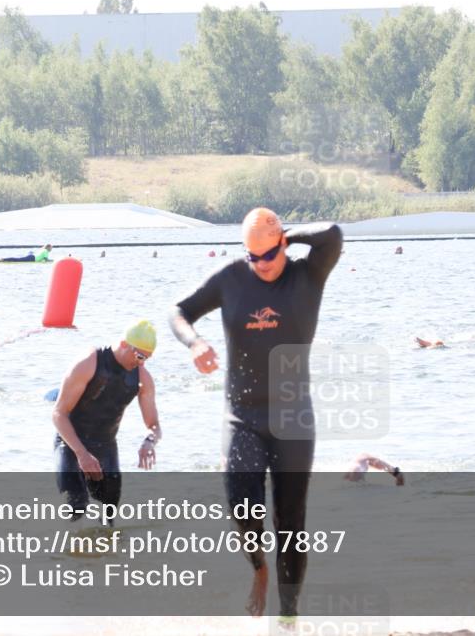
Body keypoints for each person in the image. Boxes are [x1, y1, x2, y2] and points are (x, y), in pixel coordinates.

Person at [169, 208, 342, 620]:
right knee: (241, 506)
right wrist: (194, 343)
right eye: (252, 256)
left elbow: (332, 233)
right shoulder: (231, 279)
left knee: (291, 525)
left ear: (283, 244)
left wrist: (286, 234)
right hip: (242, 415)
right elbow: (179, 311)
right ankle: (259, 569)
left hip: (293, 417)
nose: (260, 264)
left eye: (268, 254)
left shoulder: (308, 275)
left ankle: (288, 619)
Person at [52, 320, 162, 526]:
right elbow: (58, 414)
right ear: (123, 344)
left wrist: (150, 441)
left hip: (106, 448)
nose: (141, 363)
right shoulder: (88, 363)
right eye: (139, 356)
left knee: (108, 521)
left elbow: (154, 424)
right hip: (71, 444)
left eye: (147, 358)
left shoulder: (143, 379)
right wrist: (82, 454)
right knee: (75, 508)